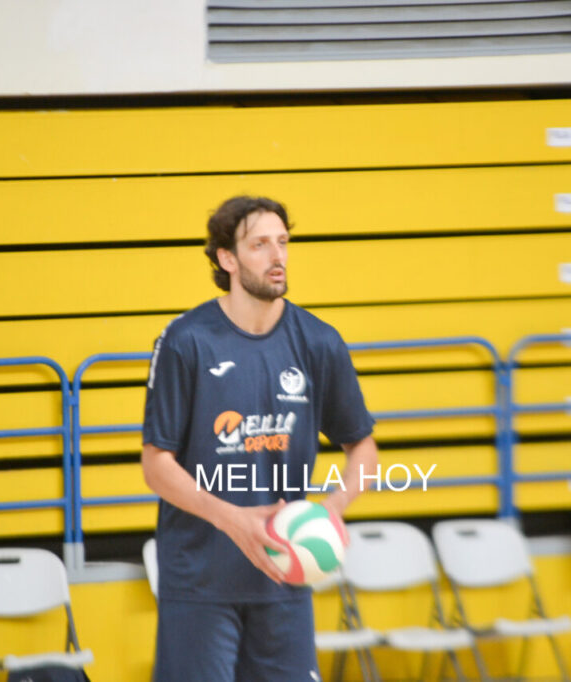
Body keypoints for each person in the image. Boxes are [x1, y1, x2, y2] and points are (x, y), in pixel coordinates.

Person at [141, 195, 380, 681]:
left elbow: (363, 446)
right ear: (226, 259)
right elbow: (156, 464)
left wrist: (334, 508)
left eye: (283, 242)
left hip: (285, 577)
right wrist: (233, 520)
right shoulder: (186, 340)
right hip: (200, 583)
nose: (277, 256)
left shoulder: (318, 342)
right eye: (259, 245)